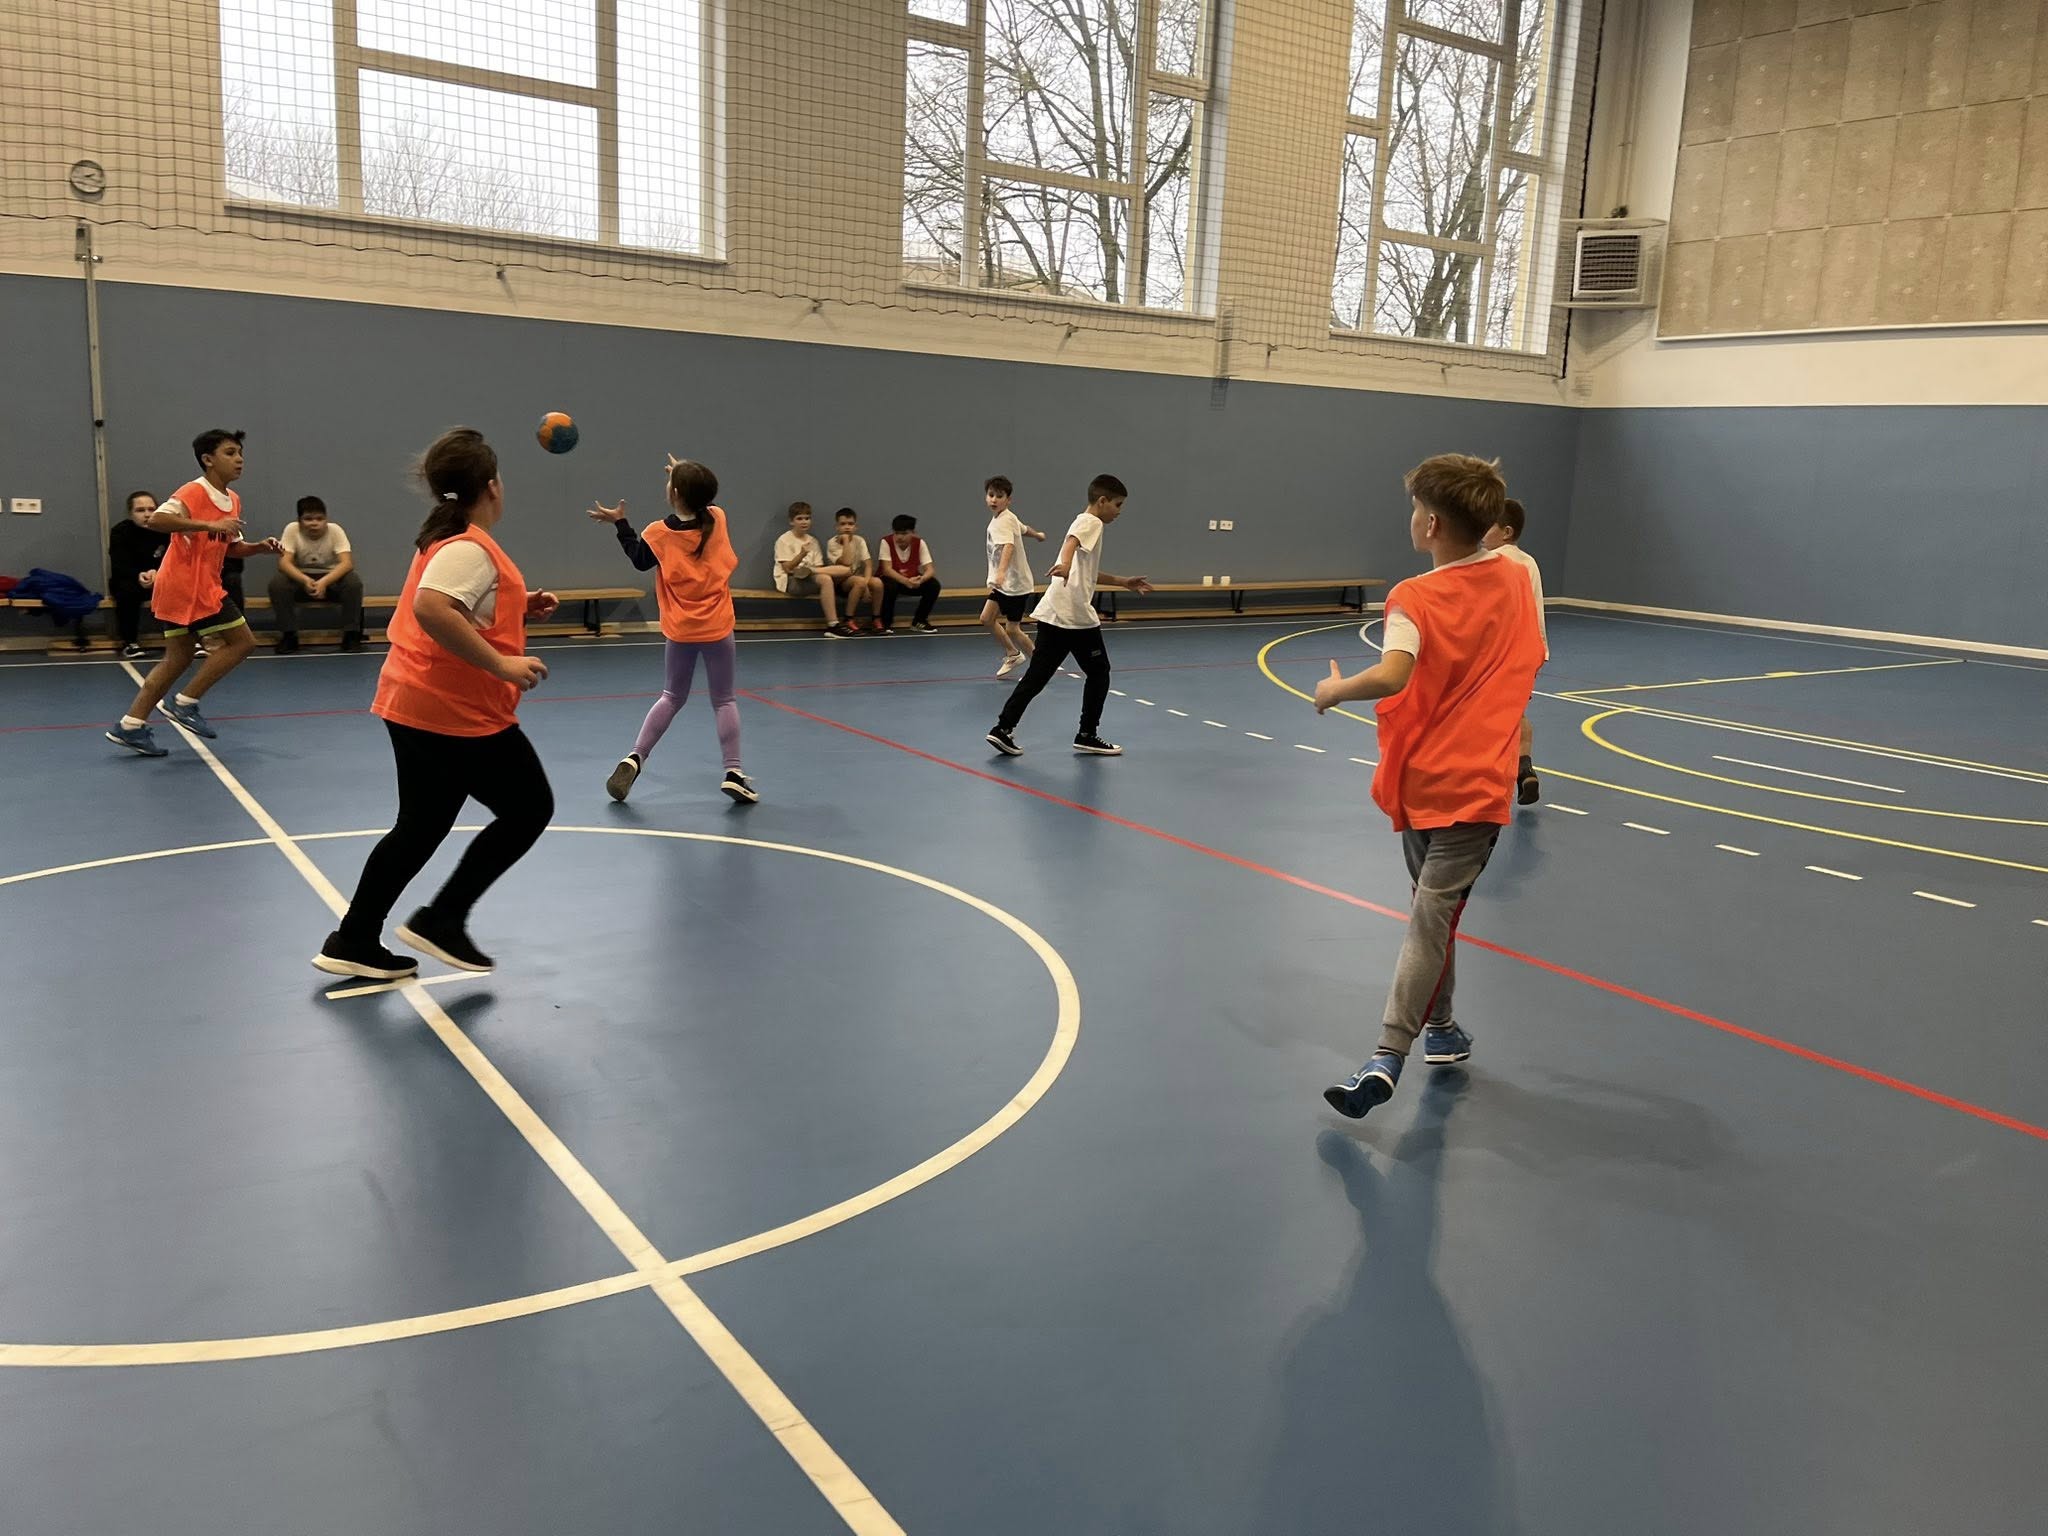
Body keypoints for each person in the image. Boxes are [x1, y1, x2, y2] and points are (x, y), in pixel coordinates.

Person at [1312, 454, 1545, 1119]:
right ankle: (1433, 1033)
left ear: (1432, 524)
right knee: (1433, 915)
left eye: (1416, 509)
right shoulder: (1517, 577)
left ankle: (1391, 1051)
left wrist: (1334, 690)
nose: (1412, 518)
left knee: (1429, 914)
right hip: (1473, 784)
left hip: (1422, 779)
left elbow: (1392, 674)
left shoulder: (1412, 598)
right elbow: (1528, 653)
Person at [313, 427, 558, 979]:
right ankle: (442, 919)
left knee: (420, 826)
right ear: (492, 486)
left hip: (415, 701)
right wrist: (502, 664)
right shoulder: (469, 546)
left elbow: (458, 602)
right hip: (453, 712)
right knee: (528, 808)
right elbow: (432, 607)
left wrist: (516, 604)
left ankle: (353, 939)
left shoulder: (447, 539)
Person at [589, 456, 757, 806]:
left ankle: (635, 757)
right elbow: (702, 501)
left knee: (671, 697)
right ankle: (733, 772)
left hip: (681, 630)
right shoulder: (718, 518)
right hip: (717, 627)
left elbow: (639, 559)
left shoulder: (658, 534)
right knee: (724, 699)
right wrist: (685, 476)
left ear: (674, 493)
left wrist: (620, 523)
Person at [105, 429, 282, 757]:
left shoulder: (233, 499)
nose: (239, 459)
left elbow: (229, 546)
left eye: (240, 453)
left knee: (178, 658)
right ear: (208, 459)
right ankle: (185, 703)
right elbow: (158, 520)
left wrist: (258, 547)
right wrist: (208, 525)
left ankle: (130, 725)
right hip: (188, 585)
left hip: (191, 585)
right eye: (230, 453)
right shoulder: (193, 491)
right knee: (243, 643)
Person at [986, 474, 1152, 757]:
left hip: (1055, 611)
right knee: (1099, 672)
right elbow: (1071, 544)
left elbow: (1086, 570)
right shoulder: (1091, 522)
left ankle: (1002, 728)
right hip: (1074, 614)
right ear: (1102, 501)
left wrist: (1123, 581)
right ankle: (1087, 734)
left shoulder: (1083, 521)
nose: (1119, 511)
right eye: (1118, 505)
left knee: (1037, 676)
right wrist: (1064, 563)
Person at [1482, 496, 1547, 805]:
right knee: (1516, 713)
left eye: (1487, 526)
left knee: (1489, 717)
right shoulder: (1529, 562)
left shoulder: (1492, 561)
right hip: (1531, 651)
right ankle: (1524, 769)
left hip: (1500, 654)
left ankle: (1491, 777)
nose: (1481, 531)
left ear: (1506, 532)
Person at [269, 495, 366, 653]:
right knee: (278, 584)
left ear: (326, 520)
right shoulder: (292, 530)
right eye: (308, 519)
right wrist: (305, 580)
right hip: (301, 578)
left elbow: (347, 563)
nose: (314, 523)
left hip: (331, 578)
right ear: (300, 521)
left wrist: (324, 582)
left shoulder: (335, 531)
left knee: (353, 583)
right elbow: (284, 563)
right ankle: (289, 635)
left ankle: (351, 635)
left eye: (319, 519)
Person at [980, 475, 1046, 677]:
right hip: (1004, 585)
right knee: (986, 618)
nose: (994, 499)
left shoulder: (1003, 522)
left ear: (1008, 500)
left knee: (1012, 629)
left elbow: (1008, 546)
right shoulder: (1007, 517)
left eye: (999, 496)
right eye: (991, 495)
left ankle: (1041, 666)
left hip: (1014, 585)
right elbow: (1023, 529)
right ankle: (1013, 653)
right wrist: (1037, 535)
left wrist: (1001, 573)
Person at [772, 502, 857, 637]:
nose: (804, 522)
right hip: (791, 579)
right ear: (791, 521)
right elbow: (787, 568)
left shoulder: (813, 541)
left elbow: (819, 566)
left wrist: (812, 571)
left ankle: (810, 571)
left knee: (846, 570)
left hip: (810, 576)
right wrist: (801, 555)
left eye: (807, 518)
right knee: (825, 579)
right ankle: (833, 625)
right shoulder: (784, 540)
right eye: (799, 519)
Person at [107, 490, 167, 660]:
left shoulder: (166, 531)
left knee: (184, 587)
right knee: (126, 591)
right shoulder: (120, 531)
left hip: (161, 579)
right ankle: (130, 642)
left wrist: (158, 573)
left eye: (151, 509)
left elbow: (174, 559)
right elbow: (119, 564)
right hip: (131, 580)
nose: (147, 514)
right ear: (130, 513)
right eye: (140, 510)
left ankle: (190, 639)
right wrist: (138, 575)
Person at [877, 514, 943, 633]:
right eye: (897, 533)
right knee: (890, 586)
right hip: (892, 580)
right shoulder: (886, 542)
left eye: (904, 533)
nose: (899, 537)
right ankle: (886, 622)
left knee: (933, 585)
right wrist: (906, 581)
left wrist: (921, 580)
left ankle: (919, 621)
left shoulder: (920, 543)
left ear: (912, 532)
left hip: (912, 581)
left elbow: (930, 570)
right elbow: (886, 570)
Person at [825, 507, 884, 633]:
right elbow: (846, 562)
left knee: (877, 583)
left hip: (857, 578)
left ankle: (876, 618)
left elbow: (868, 564)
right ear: (837, 527)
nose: (847, 527)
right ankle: (848, 618)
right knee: (859, 581)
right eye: (843, 524)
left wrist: (866, 584)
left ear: (855, 527)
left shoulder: (859, 540)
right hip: (840, 582)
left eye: (850, 524)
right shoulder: (832, 543)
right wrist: (846, 540)